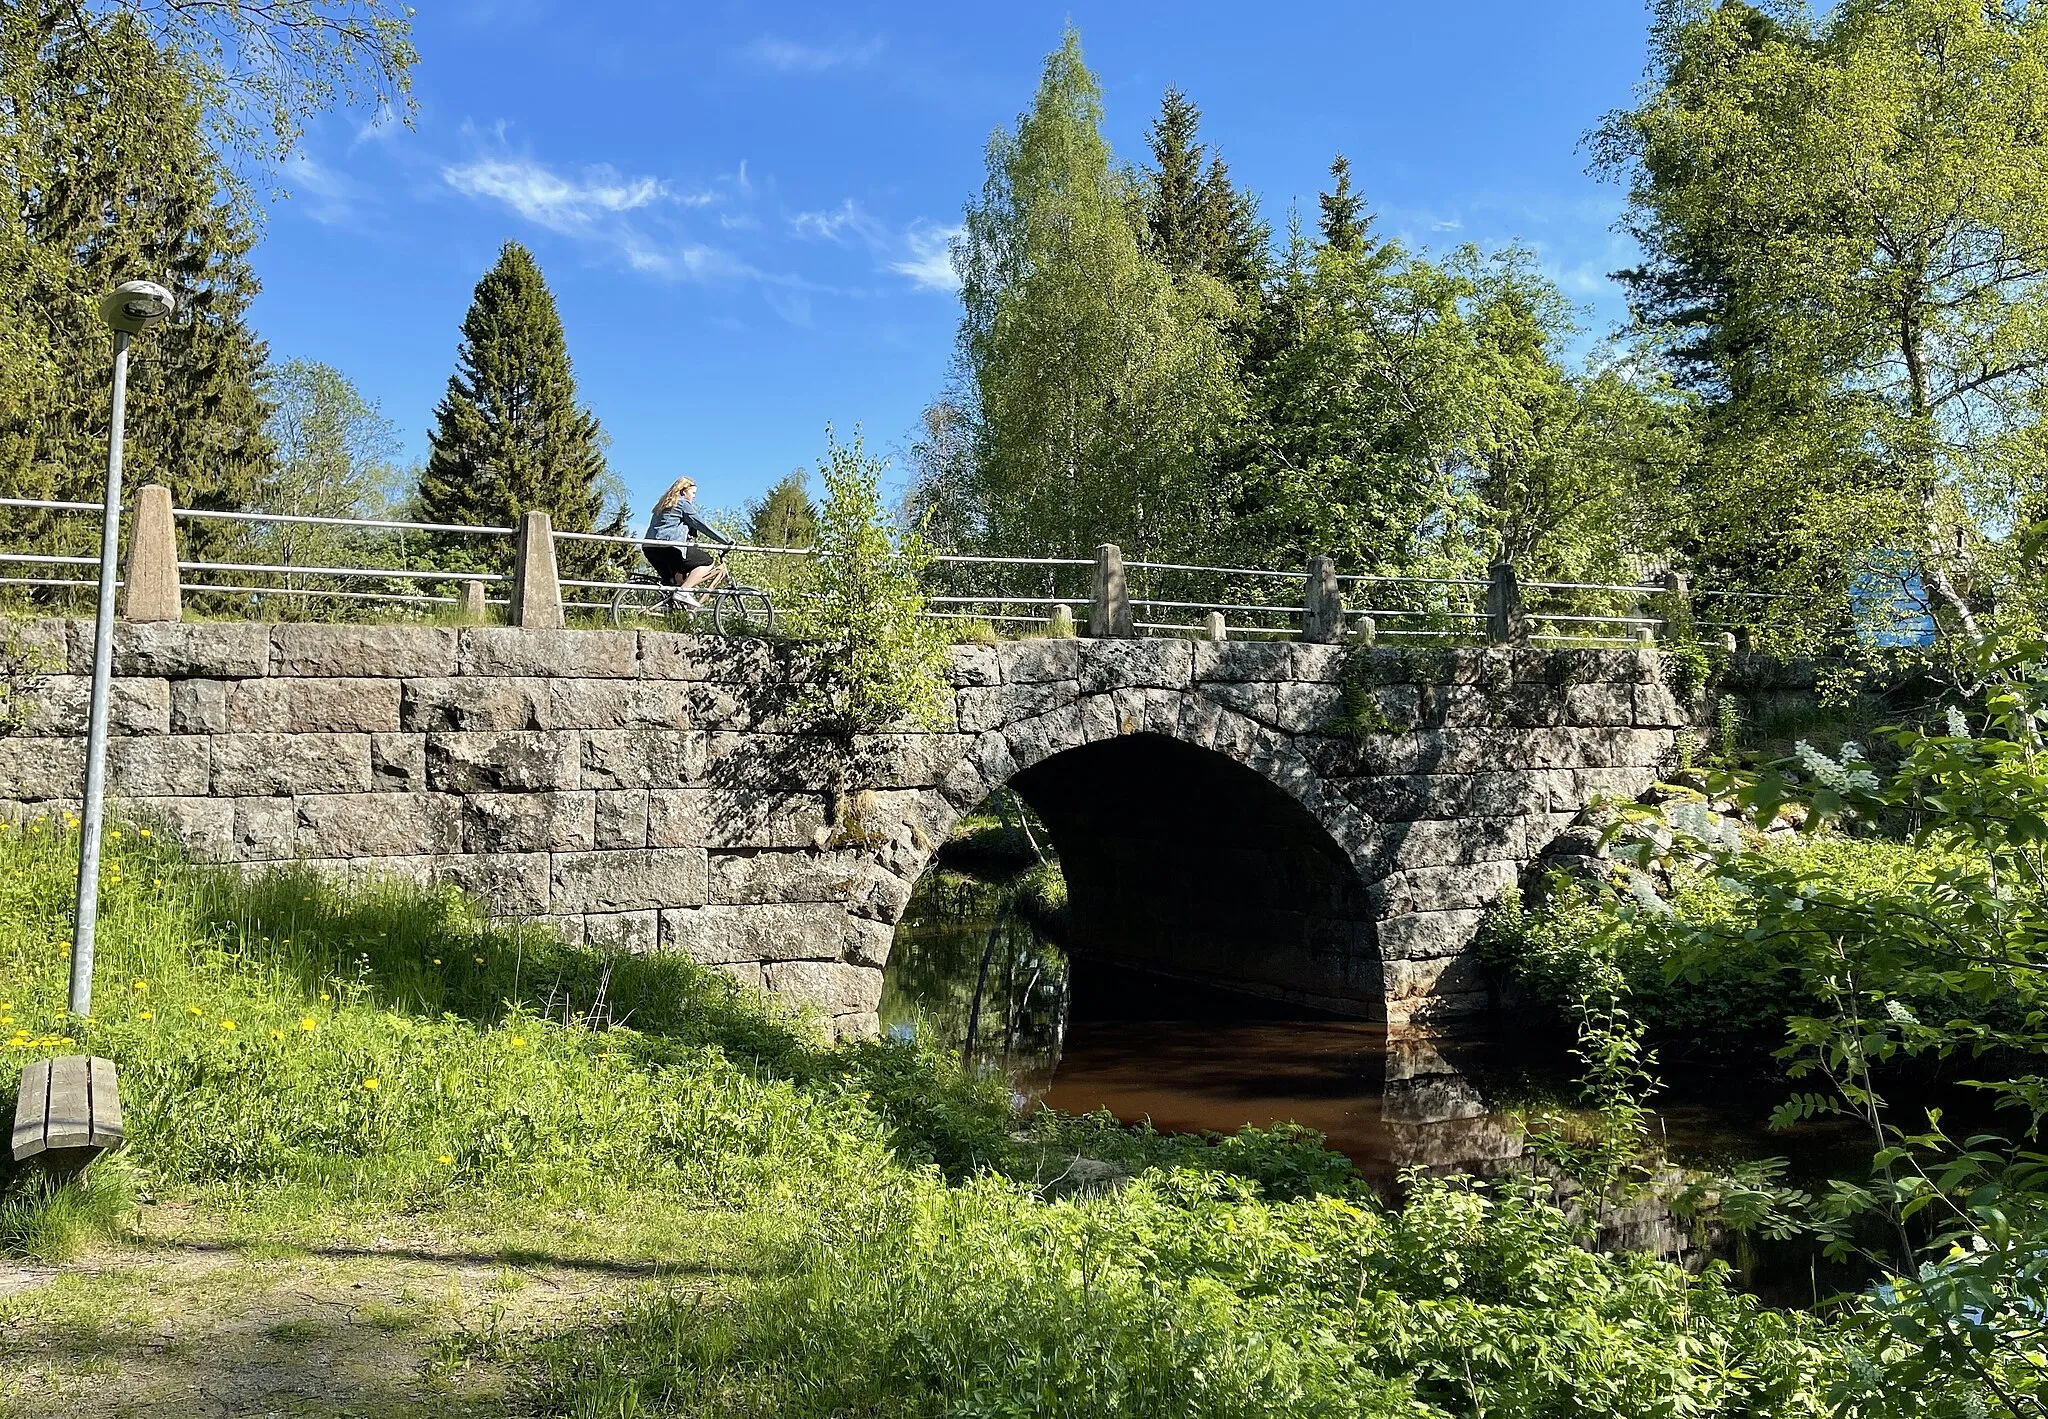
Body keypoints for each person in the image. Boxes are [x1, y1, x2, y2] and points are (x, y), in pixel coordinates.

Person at [643, 476, 734, 608]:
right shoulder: (682, 504)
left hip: (650, 548)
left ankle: (673, 611)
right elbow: (701, 525)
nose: (694, 497)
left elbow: (672, 525)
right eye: (693, 493)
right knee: (707, 561)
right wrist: (725, 541)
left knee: (676, 582)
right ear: (683, 491)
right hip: (668, 547)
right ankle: (684, 592)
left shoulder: (663, 505)